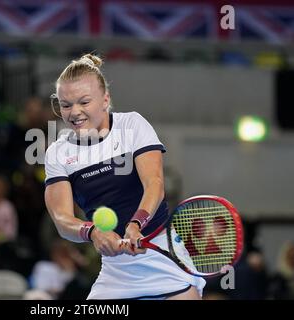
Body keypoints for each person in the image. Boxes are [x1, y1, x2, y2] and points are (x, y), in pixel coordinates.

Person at [44, 53, 205, 300]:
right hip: (115, 272)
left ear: (105, 99)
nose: (74, 112)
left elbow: (155, 185)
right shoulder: (57, 153)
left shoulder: (132, 125)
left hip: (164, 257)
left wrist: (136, 223)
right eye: (66, 105)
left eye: (84, 102)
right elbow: (62, 219)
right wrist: (92, 231)